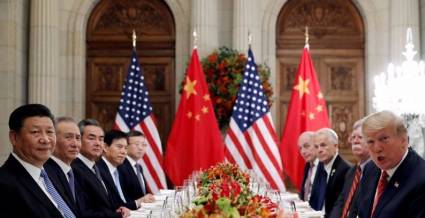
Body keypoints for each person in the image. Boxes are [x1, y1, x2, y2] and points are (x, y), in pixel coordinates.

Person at [0, 104, 76, 218]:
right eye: (35, 132)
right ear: (14, 137)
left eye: (50, 132)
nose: (45, 140)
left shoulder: (54, 173)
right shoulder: (4, 184)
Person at [357, 111, 425, 218]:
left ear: (403, 140)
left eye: (384, 139)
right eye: (370, 141)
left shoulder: (421, 180)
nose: (377, 148)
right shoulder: (370, 169)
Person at [71, 119, 129, 218]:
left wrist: (120, 209)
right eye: (91, 138)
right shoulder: (74, 168)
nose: (98, 143)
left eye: (101, 139)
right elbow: (84, 213)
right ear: (78, 140)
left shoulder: (98, 166)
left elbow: (106, 202)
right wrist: (117, 215)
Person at [97, 130, 153, 210]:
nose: (123, 152)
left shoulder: (115, 169)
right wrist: (138, 202)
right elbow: (111, 206)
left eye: (125, 148)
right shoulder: (98, 170)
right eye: (119, 147)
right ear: (105, 147)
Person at [330, 119, 370, 218]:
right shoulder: (352, 171)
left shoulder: (378, 171)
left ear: (371, 141)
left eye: (360, 137)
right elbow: (341, 202)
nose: (355, 140)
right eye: (353, 137)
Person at [44, 117, 82, 216]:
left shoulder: (74, 171)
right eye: (68, 137)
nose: (75, 144)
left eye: (78, 138)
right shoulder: (46, 174)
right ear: (53, 139)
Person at [310, 127, 350, 217]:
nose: (319, 150)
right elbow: (314, 198)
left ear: (335, 146)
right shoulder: (321, 166)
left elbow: (341, 207)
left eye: (323, 145)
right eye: (316, 147)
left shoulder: (345, 170)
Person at [117, 130, 155, 204]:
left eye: (143, 144)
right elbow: (123, 197)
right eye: (137, 144)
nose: (141, 148)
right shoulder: (120, 166)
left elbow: (143, 193)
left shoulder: (139, 167)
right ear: (126, 146)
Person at [298, 131, 320, 204]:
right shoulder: (308, 165)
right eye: (300, 148)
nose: (303, 152)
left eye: (306, 146)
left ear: (317, 145)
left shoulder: (324, 166)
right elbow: (303, 194)